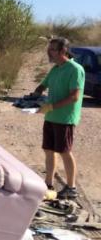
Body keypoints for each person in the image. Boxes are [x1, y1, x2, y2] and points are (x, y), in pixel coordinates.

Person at [29, 37, 85, 200]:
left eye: (52, 49)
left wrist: (52, 106)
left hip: (65, 118)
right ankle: (48, 183)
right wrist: (34, 95)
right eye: (49, 48)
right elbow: (43, 85)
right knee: (48, 150)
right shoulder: (55, 69)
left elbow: (75, 96)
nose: (49, 52)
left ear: (63, 51)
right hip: (51, 116)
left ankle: (71, 188)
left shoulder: (75, 69)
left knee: (64, 152)